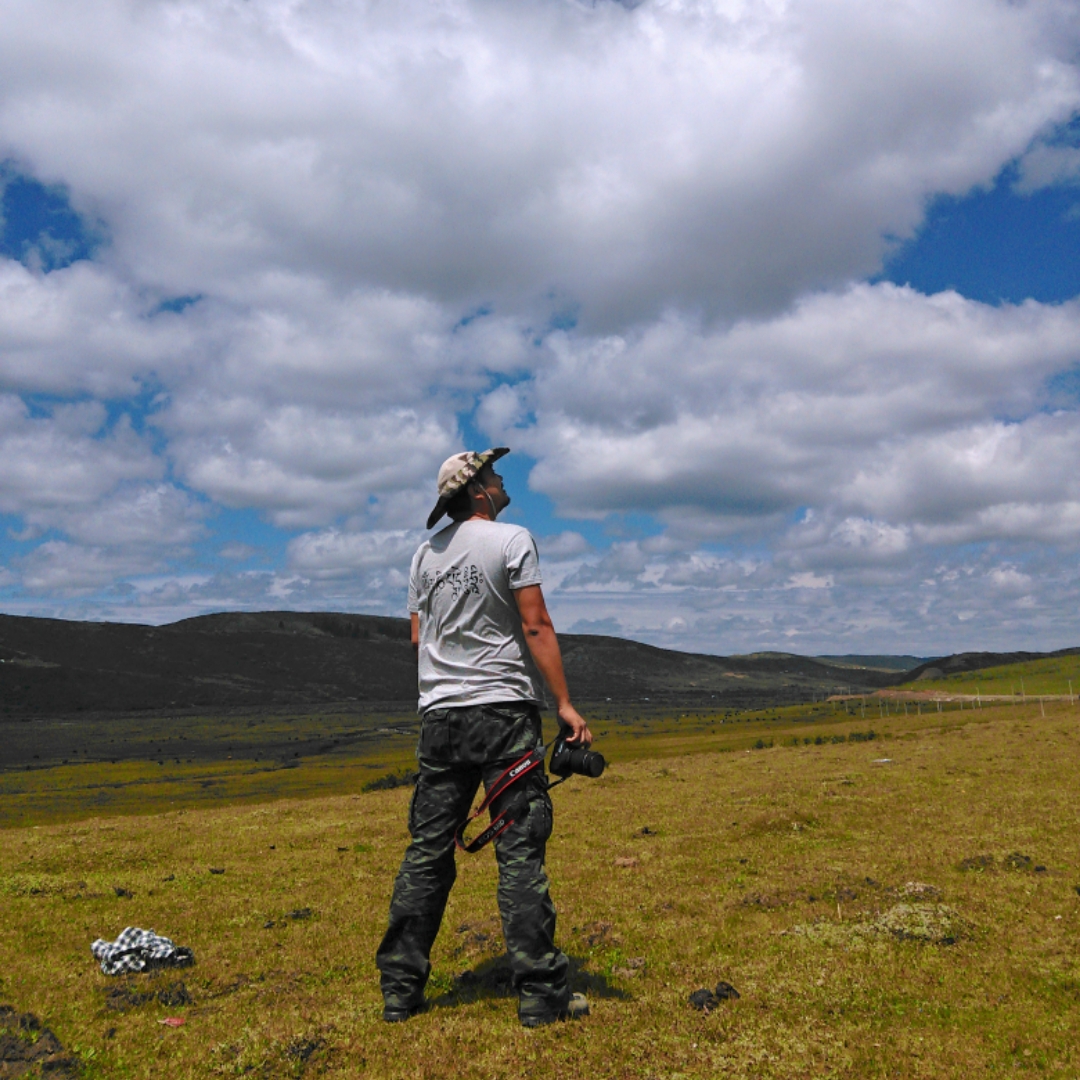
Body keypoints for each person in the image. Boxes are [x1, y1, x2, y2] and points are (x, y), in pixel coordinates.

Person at [375, 447, 592, 1028]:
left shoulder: (424, 555)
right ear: (478, 491)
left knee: (427, 852)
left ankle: (400, 990)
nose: (501, 480)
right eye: (494, 474)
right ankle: (540, 995)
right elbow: (535, 624)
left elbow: (419, 637)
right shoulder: (511, 539)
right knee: (519, 851)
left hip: (440, 717)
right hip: (502, 712)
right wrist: (565, 705)